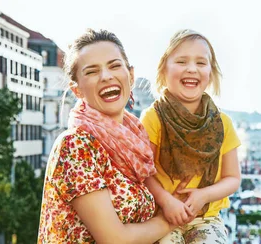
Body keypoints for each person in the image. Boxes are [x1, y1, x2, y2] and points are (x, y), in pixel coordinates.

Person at [37, 29, 173, 243]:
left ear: (131, 75)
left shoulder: (136, 139)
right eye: (91, 71)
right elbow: (114, 239)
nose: (106, 76)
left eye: (114, 65)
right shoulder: (75, 145)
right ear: (77, 90)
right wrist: (171, 220)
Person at [140, 29, 241, 244]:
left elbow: (232, 178)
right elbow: (144, 173)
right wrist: (166, 201)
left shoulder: (223, 123)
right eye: (182, 61)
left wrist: (204, 195)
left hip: (205, 218)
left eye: (201, 63)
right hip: (161, 215)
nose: (192, 69)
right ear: (163, 70)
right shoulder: (153, 118)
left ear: (211, 73)